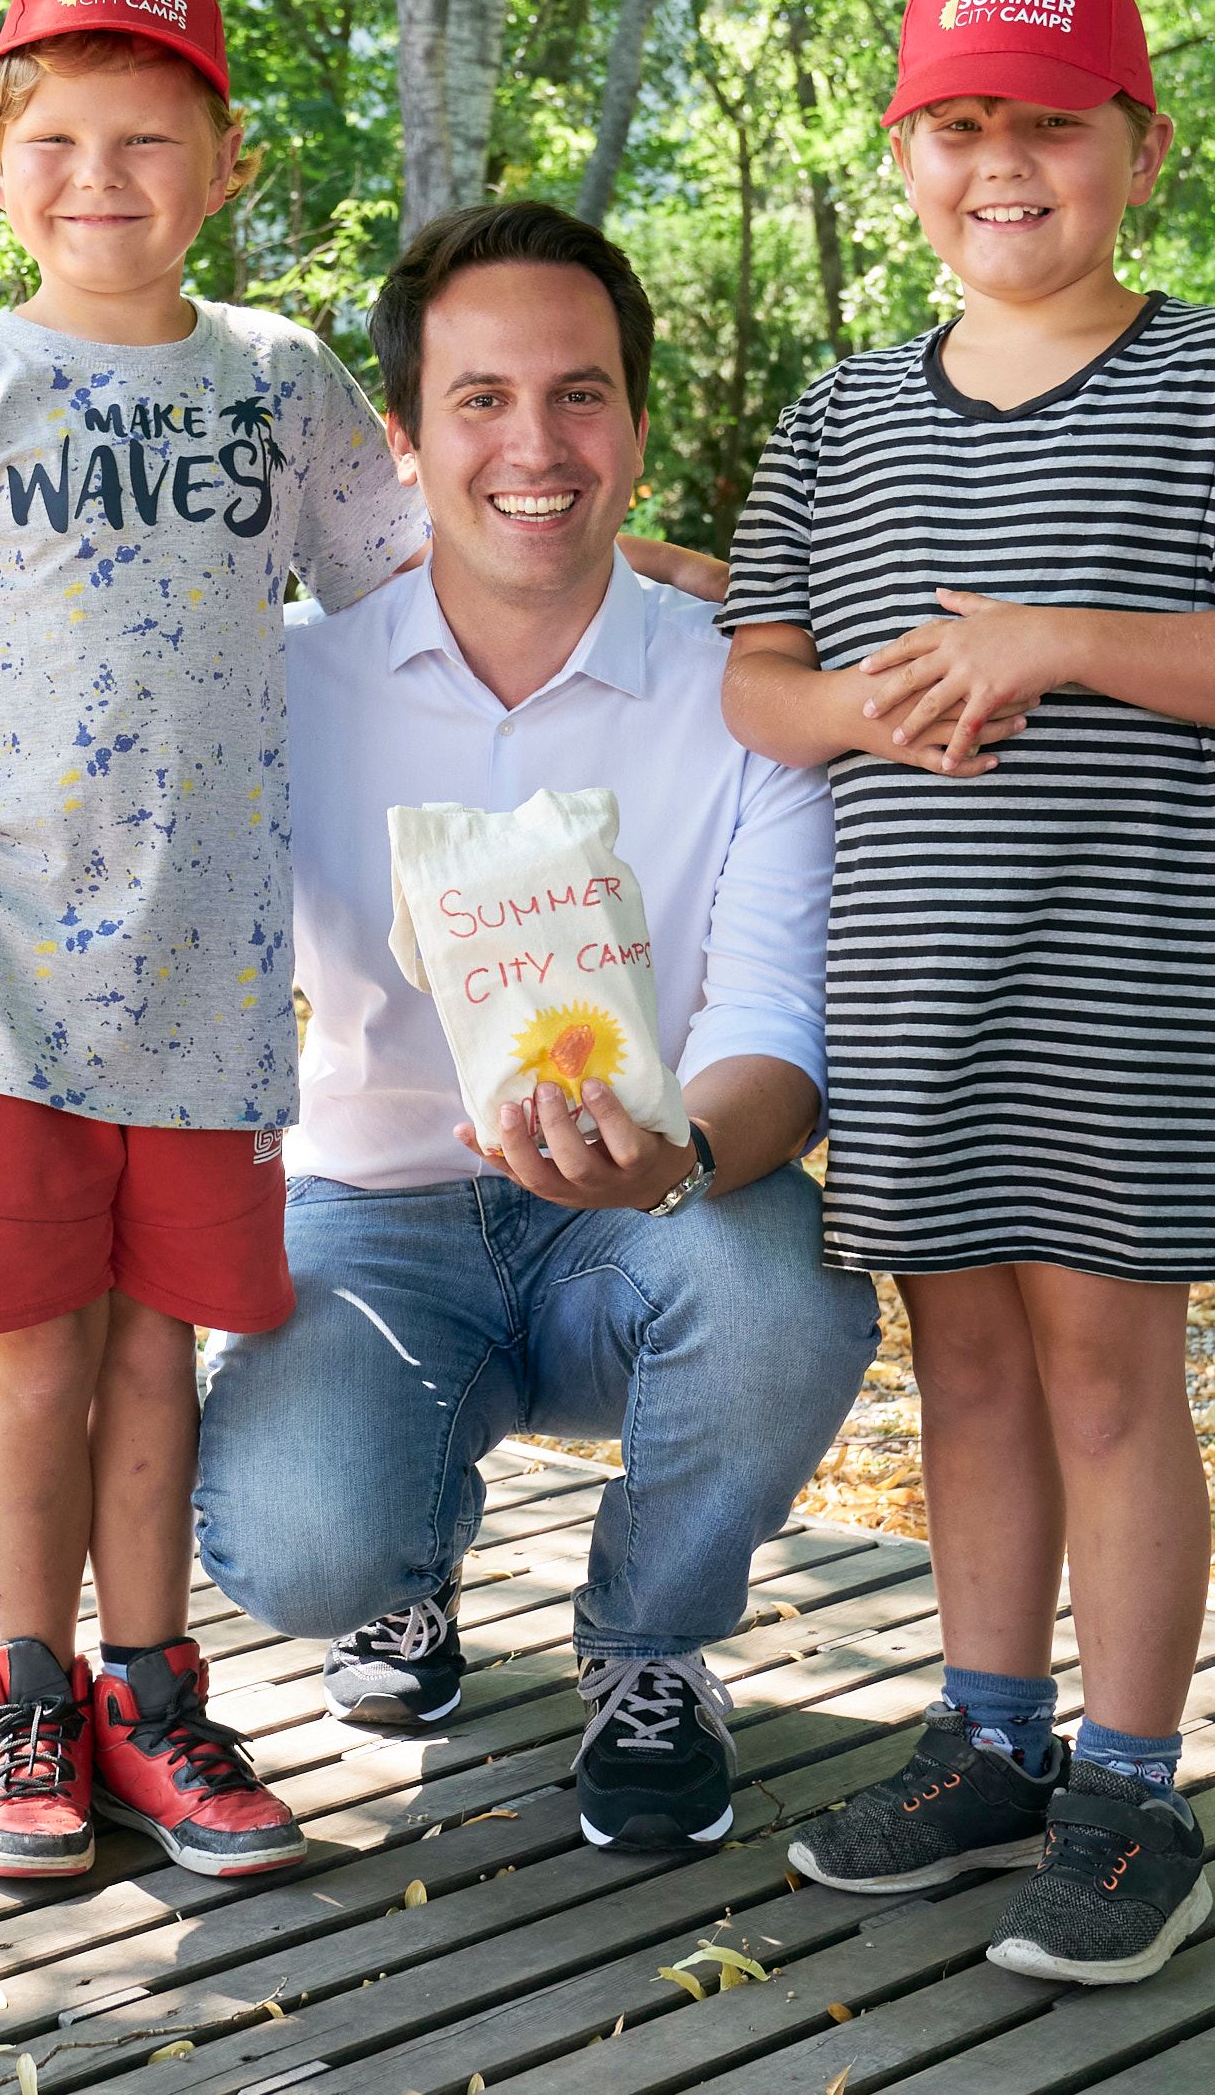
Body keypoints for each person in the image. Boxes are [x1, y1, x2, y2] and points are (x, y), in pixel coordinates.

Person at [720, 0, 1215, 1983]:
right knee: (966, 1371)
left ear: (1140, 147)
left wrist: (1058, 641)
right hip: (913, 997)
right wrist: (864, 708)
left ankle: (1132, 1789)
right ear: (901, 156)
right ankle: (990, 1738)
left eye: (1050, 123)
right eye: (956, 125)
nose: (1001, 164)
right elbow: (759, 680)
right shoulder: (838, 417)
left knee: (1108, 1378)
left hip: (1119, 998)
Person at [0, 0, 423, 1883]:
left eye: (148, 139)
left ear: (225, 162)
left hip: (208, 979)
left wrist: (650, 582)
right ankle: (24, 1693)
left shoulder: (280, 381)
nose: (101, 178)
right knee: (33, 1353)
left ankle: (153, 1699)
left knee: (158, 1352)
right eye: (57, 138)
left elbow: (420, 591)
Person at [194, 199, 881, 1854]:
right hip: (374, 1215)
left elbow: (781, 1020)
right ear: (405, 438)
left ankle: (650, 1645)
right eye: (481, 399)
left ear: (637, 428)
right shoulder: (284, 684)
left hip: (650, 1220)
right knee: (295, 1541)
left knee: (789, 1284)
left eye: (580, 394)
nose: (535, 444)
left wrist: (678, 1157)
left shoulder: (743, 690)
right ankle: (400, 1567)